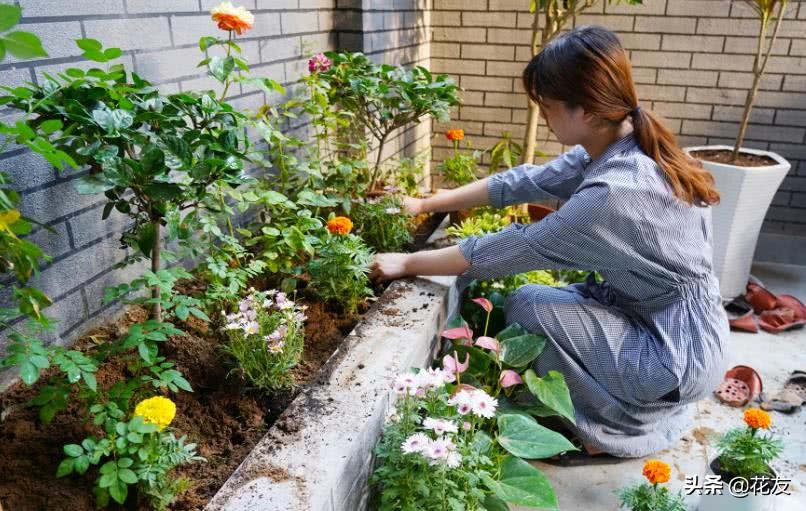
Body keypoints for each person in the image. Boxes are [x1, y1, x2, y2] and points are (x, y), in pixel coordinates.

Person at [370, 25, 729, 460]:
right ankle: (638, 412)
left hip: (672, 356)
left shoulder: (614, 195)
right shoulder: (621, 140)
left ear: (588, 112)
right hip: (674, 329)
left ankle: (617, 428)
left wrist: (407, 264)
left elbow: (509, 248)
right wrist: (425, 203)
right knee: (550, 301)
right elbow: (522, 182)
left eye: (548, 106)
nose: (543, 114)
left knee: (528, 305)